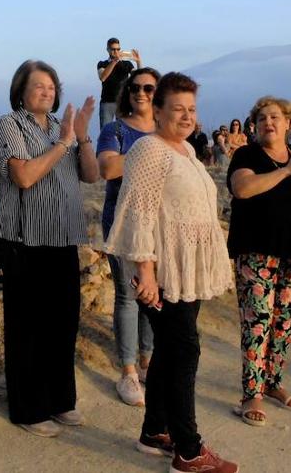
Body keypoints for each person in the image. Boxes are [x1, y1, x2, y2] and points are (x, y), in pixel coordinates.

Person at [106, 72, 237, 472]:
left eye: (192, 109)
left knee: (168, 350)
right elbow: (139, 212)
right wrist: (144, 271)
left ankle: (154, 431)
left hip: (185, 272)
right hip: (161, 273)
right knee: (184, 351)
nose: (186, 116)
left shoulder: (186, 151)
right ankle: (189, 450)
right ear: (157, 110)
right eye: (177, 109)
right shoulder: (150, 149)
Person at [0, 61, 99, 437]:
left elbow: (91, 174)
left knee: (62, 325)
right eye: (38, 86)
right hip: (25, 241)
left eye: (52, 87)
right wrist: (64, 144)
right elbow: (23, 176)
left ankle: (60, 400)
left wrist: (82, 136)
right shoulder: (9, 124)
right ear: (21, 91)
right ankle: (28, 407)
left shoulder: (60, 127)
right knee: (27, 329)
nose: (47, 92)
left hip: (63, 238)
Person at [227, 96, 291, 427]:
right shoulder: (247, 155)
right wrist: (286, 171)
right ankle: (251, 394)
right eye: (261, 118)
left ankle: (273, 384)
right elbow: (242, 189)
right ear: (254, 126)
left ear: (288, 123)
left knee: (284, 323)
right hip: (256, 251)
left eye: (275, 117)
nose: (268, 122)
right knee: (257, 322)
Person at [96, 67, 161, 407]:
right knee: (127, 295)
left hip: (159, 226)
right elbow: (108, 169)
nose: (141, 93)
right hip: (122, 224)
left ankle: (149, 361)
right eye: (135, 87)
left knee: (153, 294)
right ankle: (128, 371)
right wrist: (151, 152)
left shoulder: (167, 132)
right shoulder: (115, 129)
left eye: (149, 88)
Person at [97, 38, 141, 128]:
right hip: (107, 102)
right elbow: (103, 77)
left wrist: (138, 62)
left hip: (123, 102)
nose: (116, 51)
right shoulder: (102, 64)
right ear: (108, 50)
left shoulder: (127, 64)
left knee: (124, 133)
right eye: (113, 49)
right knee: (106, 132)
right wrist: (115, 61)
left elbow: (138, 78)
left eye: (118, 49)